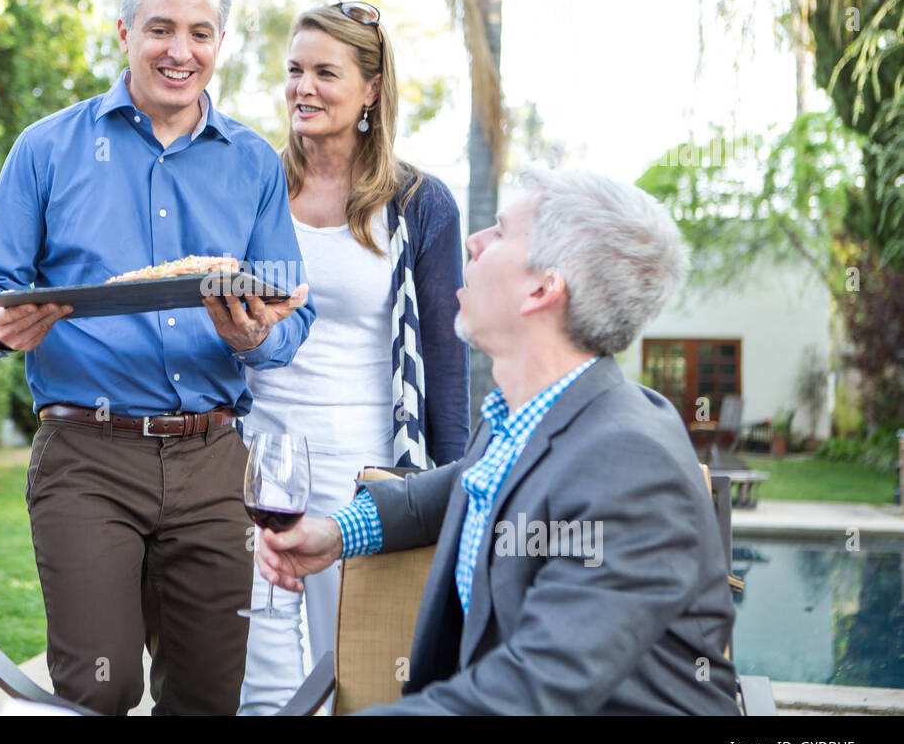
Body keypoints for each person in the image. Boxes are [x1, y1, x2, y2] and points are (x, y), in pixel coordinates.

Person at [0, 0, 315, 716]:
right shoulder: (46, 149)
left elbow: (293, 310)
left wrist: (258, 336)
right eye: (160, 29)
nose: (180, 51)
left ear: (220, 43)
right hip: (87, 454)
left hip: (215, 459)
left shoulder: (254, 163)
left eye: (200, 33)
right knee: (100, 689)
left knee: (208, 697)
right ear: (122, 32)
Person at [258, 168, 741, 715]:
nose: (473, 241)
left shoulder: (630, 461)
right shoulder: (517, 421)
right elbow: (466, 483)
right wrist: (338, 532)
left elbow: (534, 689)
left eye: (501, 233)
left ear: (543, 288)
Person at [238, 0, 469, 714]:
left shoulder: (420, 204)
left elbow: (445, 364)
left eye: (324, 73)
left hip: (366, 467)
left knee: (363, 671)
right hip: (256, 463)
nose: (303, 88)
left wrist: (447, 500)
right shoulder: (252, 186)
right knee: (263, 677)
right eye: (294, 71)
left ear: (370, 89)